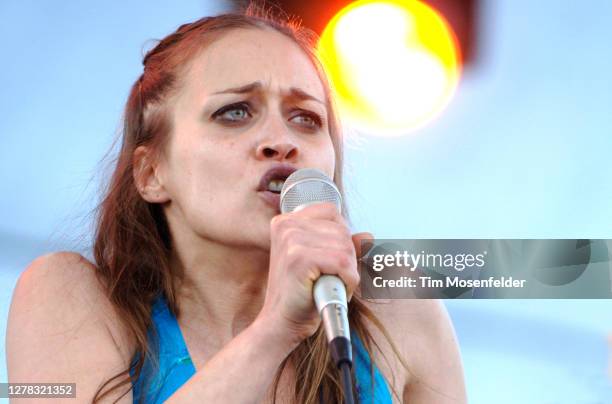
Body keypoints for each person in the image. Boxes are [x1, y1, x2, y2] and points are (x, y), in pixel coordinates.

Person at [6, 5, 466, 403]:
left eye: (305, 118)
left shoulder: (398, 305)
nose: (281, 142)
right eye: (235, 112)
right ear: (151, 173)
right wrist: (274, 330)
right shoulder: (67, 294)